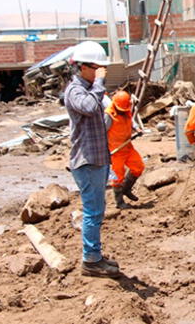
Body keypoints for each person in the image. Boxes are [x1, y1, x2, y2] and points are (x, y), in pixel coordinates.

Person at [64, 40, 120, 278]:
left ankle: (95, 255)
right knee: (92, 212)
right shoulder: (76, 91)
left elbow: (97, 119)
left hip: (97, 159)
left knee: (97, 211)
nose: (100, 72)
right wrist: (99, 83)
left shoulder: (90, 90)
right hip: (86, 162)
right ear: (83, 67)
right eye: (97, 68)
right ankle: (91, 260)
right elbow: (87, 106)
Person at [104, 91, 144, 209]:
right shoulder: (109, 115)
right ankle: (119, 202)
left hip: (127, 146)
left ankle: (126, 189)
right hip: (116, 150)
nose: (123, 110)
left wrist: (137, 129)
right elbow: (102, 133)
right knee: (117, 177)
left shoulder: (126, 109)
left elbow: (131, 121)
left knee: (138, 167)